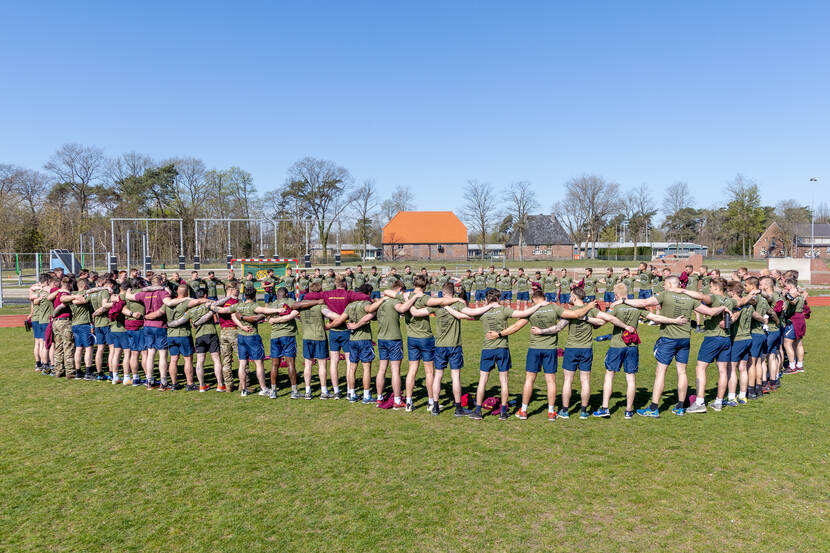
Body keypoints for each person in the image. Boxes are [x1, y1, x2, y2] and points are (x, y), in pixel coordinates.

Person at [622, 276, 727, 417]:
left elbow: (644, 302)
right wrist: (723, 307)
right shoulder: (690, 298)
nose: (663, 286)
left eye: (665, 284)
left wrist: (623, 300)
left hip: (669, 339)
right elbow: (710, 312)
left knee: (661, 371)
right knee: (682, 372)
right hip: (685, 339)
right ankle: (680, 407)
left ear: (671, 285)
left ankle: (653, 408)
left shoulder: (665, 294)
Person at [498, 290, 594, 421]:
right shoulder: (554, 307)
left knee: (529, 380)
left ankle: (524, 411)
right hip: (550, 349)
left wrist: (499, 334)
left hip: (534, 349)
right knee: (551, 381)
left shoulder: (532, 310)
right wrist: (589, 306)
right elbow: (576, 314)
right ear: (544, 297)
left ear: (534, 299)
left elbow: (515, 327)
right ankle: (551, 412)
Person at [594, 283, 687, 418]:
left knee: (609, 375)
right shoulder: (637, 307)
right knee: (630, 378)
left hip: (616, 346)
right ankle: (628, 411)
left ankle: (605, 408)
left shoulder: (615, 307)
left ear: (616, 295)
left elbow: (602, 321)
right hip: (632, 346)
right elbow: (655, 318)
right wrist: (674, 321)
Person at [416, 282, 497, 415]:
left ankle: (435, 406)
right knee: (455, 376)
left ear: (443, 292)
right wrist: (489, 306)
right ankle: (458, 408)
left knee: (438, 375)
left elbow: (416, 312)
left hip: (439, 346)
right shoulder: (457, 304)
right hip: (454, 345)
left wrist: (409, 301)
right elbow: (472, 312)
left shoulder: (437, 305)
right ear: (453, 292)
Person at [468, 288, 545, 420]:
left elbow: (465, 314)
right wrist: (539, 305)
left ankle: (478, 411)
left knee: (482, 381)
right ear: (498, 298)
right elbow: (524, 313)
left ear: (487, 299)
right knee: (504, 381)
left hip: (487, 349)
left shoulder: (483, 312)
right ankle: (503, 412)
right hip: (502, 349)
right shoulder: (504, 310)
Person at [292, 276, 371, 400]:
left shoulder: (327, 294)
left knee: (334, 362)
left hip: (333, 332)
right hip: (345, 330)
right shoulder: (348, 294)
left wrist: (311, 298)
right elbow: (364, 297)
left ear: (335, 283)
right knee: (349, 362)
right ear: (345, 283)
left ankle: (336, 391)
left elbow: (308, 296)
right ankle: (349, 391)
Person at [558, 287, 631, 420]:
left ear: (574, 297)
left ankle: (565, 411)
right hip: (586, 348)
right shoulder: (591, 310)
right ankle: (584, 411)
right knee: (585, 380)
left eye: (570, 296)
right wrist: (625, 326)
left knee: (568, 380)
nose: (569, 298)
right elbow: (608, 318)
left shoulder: (571, 311)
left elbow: (559, 327)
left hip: (571, 348)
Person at [211, 287, 284, 397]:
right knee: (259, 363)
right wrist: (278, 310)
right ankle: (263, 388)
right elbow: (265, 310)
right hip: (252, 336)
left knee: (242, 363)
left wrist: (211, 307)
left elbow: (223, 311)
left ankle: (244, 390)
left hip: (241, 336)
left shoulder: (238, 305)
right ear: (254, 296)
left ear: (244, 295)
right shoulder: (253, 306)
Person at [679, 277, 734, 412]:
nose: (709, 290)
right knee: (723, 370)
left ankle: (699, 402)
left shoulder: (714, 298)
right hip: (726, 338)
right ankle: (719, 402)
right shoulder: (730, 300)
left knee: (701, 368)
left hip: (712, 338)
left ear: (716, 288)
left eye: (710, 287)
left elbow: (702, 297)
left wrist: (682, 291)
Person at [368, 278, 420, 409]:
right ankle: (397, 400)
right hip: (394, 339)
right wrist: (413, 299)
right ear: (400, 289)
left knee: (382, 369)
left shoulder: (381, 302)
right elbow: (402, 309)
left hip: (381, 338)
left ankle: (379, 398)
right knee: (395, 370)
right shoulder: (394, 301)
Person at [125, 276, 172, 389]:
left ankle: (149, 380)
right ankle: (163, 382)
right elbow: (169, 302)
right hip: (159, 325)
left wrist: (128, 289)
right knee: (162, 354)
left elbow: (129, 296)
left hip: (147, 326)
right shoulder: (163, 293)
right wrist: (167, 290)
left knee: (150, 354)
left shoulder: (144, 293)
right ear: (161, 282)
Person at [164, 283, 212, 390]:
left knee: (173, 360)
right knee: (188, 359)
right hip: (183, 334)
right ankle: (190, 384)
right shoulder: (185, 302)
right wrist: (212, 301)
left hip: (171, 335)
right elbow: (198, 301)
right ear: (186, 293)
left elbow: (160, 312)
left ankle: (174, 384)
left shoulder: (168, 303)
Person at [184, 289, 225, 392]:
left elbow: (184, 320)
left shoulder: (190, 310)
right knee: (216, 359)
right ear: (205, 295)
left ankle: (202, 386)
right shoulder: (208, 305)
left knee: (200, 361)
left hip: (199, 336)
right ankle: (220, 385)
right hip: (211, 333)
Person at [266, 287, 300, 399]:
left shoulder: (272, 305)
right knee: (291, 363)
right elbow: (298, 309)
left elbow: (267, 317)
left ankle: (273, 390)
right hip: (288, 335)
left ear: (277, 295)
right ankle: (294, 391)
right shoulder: (290, 301)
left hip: (275, 336)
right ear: (286, 294)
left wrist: (272, 319)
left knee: (274, 364)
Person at [67, 278, 96, 380]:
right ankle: (88, 372)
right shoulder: (85, 294)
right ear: (84, 286)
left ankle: (78, 371)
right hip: (84, 324)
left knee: (79, 348)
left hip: (75, 324)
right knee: (89, 348)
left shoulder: (71, 295)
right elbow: (86, 299)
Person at [782, 277, 808, 374]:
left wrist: (786, 295)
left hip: (794, 320)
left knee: (787, 343)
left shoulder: (793, 292)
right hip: (800, 319)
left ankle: (792, 366)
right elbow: (805, 294)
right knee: (798, 342)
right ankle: (800, 365)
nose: (785, 287)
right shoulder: (799, 292)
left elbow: (793, 301)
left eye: (786, 286)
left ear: (790, 285)